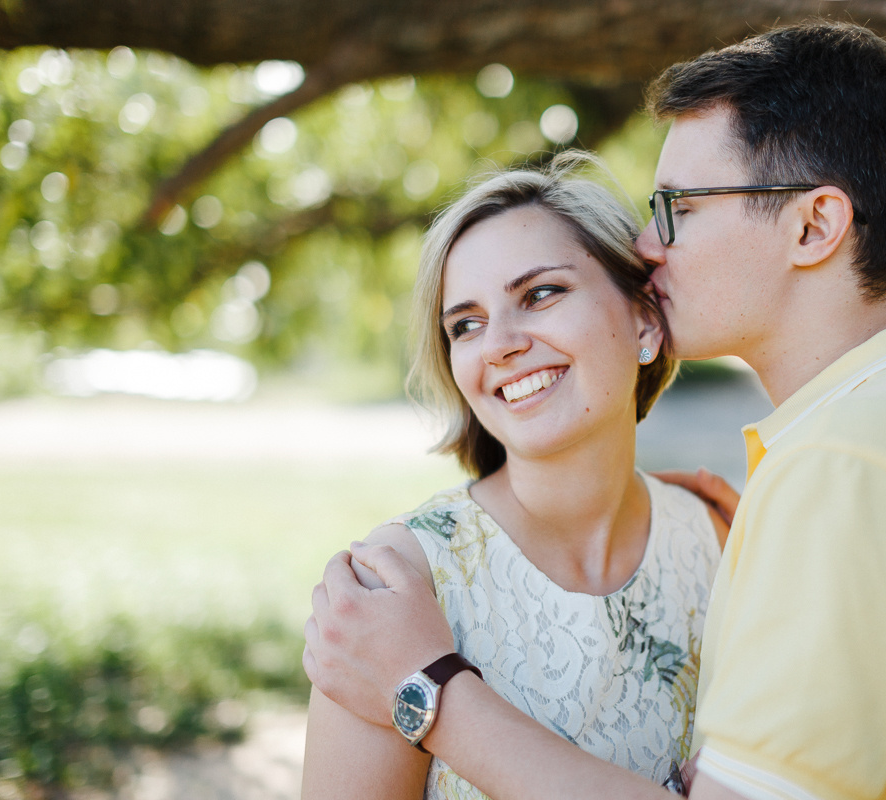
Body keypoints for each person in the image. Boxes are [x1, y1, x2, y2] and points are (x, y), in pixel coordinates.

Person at [304, 19, 886, 800]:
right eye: (464, 324)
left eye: (679, 207)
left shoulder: (841, 476)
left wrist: (431, 690)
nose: (649, 248)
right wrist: (780, 554)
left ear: (814, 224)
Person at [301, 155, 725, 800]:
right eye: (465, 325)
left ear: (644, 316)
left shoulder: (719, 540)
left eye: (540, 294)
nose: (498, 344)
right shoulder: (395, 585)